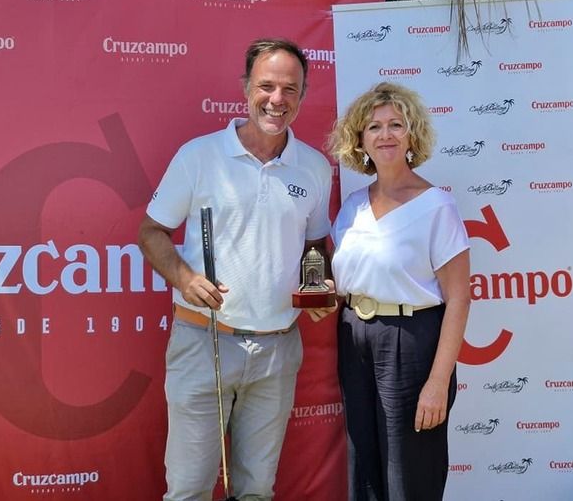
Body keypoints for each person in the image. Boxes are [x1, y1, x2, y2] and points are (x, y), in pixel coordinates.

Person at [138, 38, 335, 501]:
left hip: (278, 348)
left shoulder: (313, 167)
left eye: (290, 89)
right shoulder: (198, 156)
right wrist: (185, 278)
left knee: (256, 491)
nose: (277, 99)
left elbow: (315, 245)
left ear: (302, 96)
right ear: (247, 87)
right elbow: (151, 232)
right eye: (266, 86)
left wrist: (318, 285)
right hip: (203, 339)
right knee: (189, 490)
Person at [328, 82, 470, 501]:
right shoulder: (353, 205)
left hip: (411, 342)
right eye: (374, 126)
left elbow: (459, 298)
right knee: (365, 469)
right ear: (359, 140)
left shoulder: (436, 205)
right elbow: (349, 280)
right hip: (354, 338)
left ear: (412, 135)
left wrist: (438, 382)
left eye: (396, 124)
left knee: (410, 474)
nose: (385, 134)